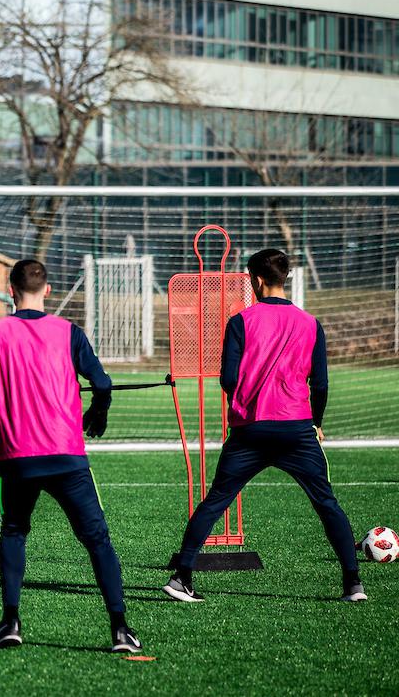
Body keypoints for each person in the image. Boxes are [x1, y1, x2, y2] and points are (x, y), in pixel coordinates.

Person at [163, 249, 364, 604]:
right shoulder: (310, 323)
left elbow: (228, 378)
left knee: (215, 502)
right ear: (283, 278)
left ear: (255, 280)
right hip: (297, 429)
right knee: (326, 503)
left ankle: (181, 578)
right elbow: (321, 384)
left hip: (250, 430)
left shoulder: (241, 321)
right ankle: (353, 584)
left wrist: (243, 398)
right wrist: (316, 422)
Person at [0, 259, 141, 653]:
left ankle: (10, 621)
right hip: (66, 453)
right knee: (97, 539)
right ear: (47, 290)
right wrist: (97, 413)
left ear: (11, 290)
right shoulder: (69, 332)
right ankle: (119, 629)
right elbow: (102, 383)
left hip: (18, 457)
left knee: (14, 532)